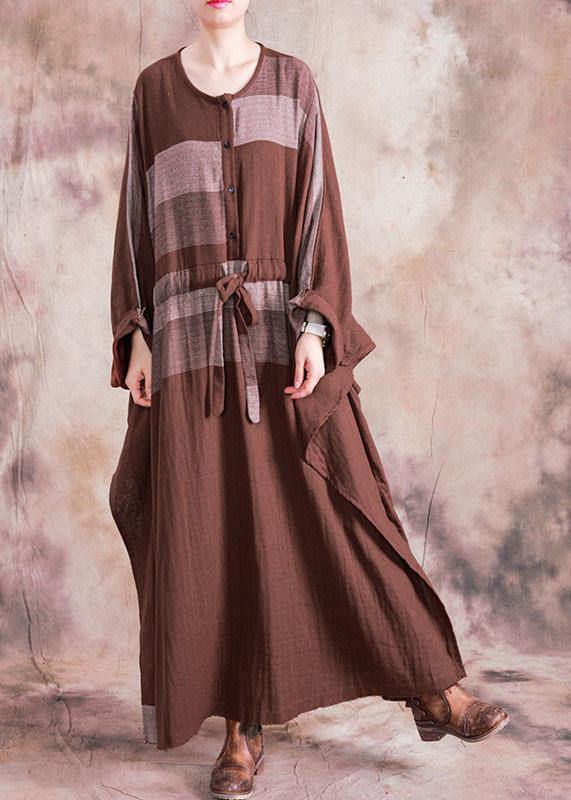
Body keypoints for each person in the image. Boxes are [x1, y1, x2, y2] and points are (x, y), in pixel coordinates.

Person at [108, 2, 509, 798]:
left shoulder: (293, 84)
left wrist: (317, 326)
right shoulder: (153, 92)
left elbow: (319, 212)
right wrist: (136, 335)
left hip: (278, 339)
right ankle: (239, 729)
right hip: (189, 353)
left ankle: (429, 686)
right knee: (214, 534)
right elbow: (133, 226)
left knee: (343, 511)